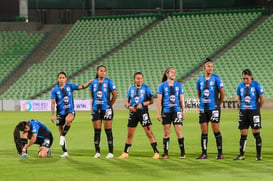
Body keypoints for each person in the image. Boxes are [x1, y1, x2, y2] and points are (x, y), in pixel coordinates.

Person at [118, 72, 160, 159]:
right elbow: (127, 100)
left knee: (149, 133)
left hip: (143, 112)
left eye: (141, 78)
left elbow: (151, 100)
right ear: (134, 79)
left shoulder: (146, 88)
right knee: (130, 134)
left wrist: (143, 104)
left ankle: (156, 152)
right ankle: (125, 153)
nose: (139, 80)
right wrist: (129, 107)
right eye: (138, 78)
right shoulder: (131, 88)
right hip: (133, 113)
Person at [51, 71, 91, 158]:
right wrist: (52, 114)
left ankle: (62, 136)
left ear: (65, 79)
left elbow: (81, 87)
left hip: (70, 111)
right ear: (58, 79)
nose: (61, 79)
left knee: (68, 120)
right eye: (60, 78)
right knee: (60, 130)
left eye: (63, 77)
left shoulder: (69, 86)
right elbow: (53, 103)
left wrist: (87, 84)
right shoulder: (54, 90)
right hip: (60, 113)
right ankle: (65, 152)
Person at [196, 58, 225, 160]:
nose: (211, 68)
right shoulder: (199, 80)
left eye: (212, 66)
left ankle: (220, 153)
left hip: (214, 108)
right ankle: (204, 153)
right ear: (204, 68)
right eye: (209, 66)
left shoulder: (216, 79)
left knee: (216, 130)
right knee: (204, 131)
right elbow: (199, 93)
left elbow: (222, 93)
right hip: (203, 108)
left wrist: (218, 103)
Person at [233, 69, 264, 161]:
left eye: (247, 78)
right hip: (243, 112)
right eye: (244, 79)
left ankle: (258, 155)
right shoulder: (240, 86)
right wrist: (242, 106)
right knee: (243, 134)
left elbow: (262, 99)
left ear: (251, 77)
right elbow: (239, 98)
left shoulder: (256, 85)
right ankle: (241, 154)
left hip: (254, 111)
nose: (245, 80)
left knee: (256, 133)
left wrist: (258, 109)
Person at [157, 67, 186, 159]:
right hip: (166, 111)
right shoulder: (161, 86)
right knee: (166, 133)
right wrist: (158, 113)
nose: (174, 73)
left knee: (179, 132)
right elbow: (159, 101)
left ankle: (182, 152)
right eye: (172, 72)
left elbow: (181, 99)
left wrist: (183, 111)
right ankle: (165, 153)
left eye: (175, 72)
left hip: (176, 111)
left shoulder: (178, 85)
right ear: (167, 74)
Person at [90, 65, 117, 159]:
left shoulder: (109, 82)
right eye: (101, 71)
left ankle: (110, 152)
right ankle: (97, 152)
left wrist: (110, 105)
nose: (103, 72)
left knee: (108, 131)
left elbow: (114, 95)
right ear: (97, 72)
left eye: (104, 71)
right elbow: (92, 96)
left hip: (106, 109)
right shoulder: (93, 83)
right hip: (96, 109)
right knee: (97, 131)